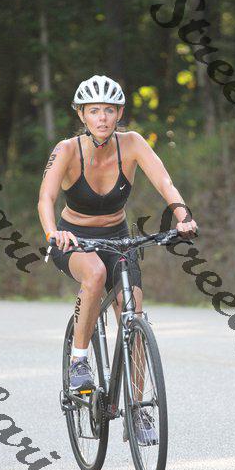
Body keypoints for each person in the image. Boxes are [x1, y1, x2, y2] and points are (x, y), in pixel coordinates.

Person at [38, 74, 197, 443]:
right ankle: (79, 361)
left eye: (109, 110)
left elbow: (165, 183)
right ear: (81, 114)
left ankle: (137, 409)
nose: (102, 117)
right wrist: (52, 233)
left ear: (119, 113)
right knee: (94, 274)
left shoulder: (133, 144)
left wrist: (183, 216)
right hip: (73, 238)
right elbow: (46, 198)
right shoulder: (66, 150)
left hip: (117, 238)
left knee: (133, 312)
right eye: (94, 110)